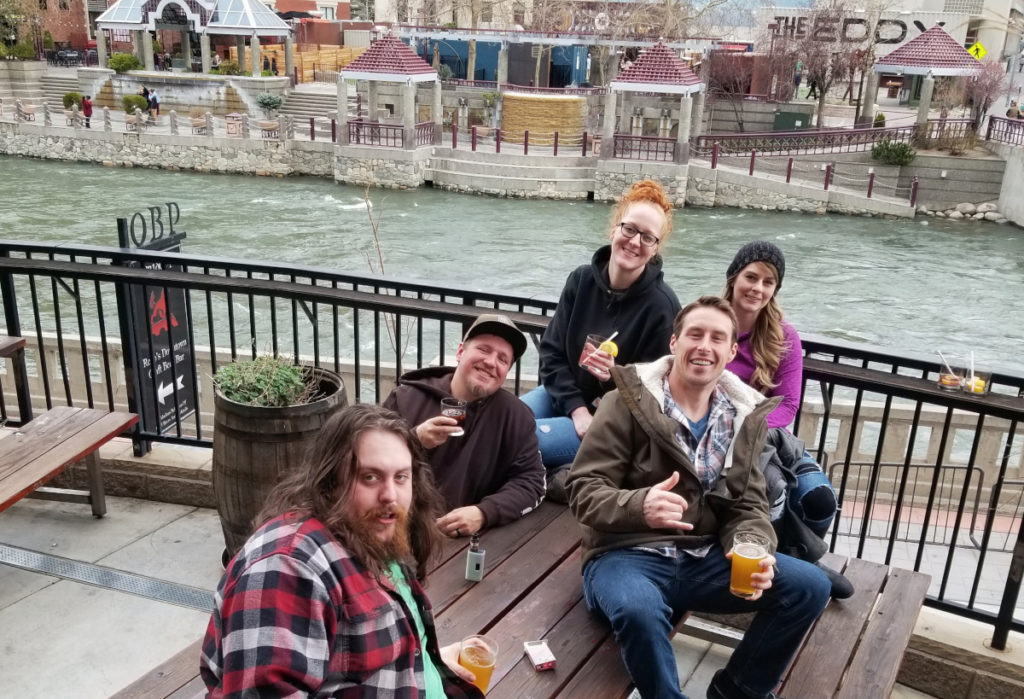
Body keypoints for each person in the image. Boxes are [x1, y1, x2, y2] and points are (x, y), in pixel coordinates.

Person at [566, 297, 830, 699]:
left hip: (703, 558)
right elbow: (583, 490)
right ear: (674, 342)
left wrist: (754, 547)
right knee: (638, 610)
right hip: (624, 555)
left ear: (731, 352)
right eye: (695, 334)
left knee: (810, 586)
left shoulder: (743, 416)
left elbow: (749, 504)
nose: (704, 346)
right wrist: (640, 506)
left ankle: (737, 691)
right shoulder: (626, 404)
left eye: (717, 338)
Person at [200, 404, 483, 697]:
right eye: (369, 477)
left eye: (401, 477)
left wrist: (426, 661)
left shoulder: (372, 532)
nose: (390, 495)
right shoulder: (286, 569)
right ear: (330, 481)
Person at [522, 179, 681, 498]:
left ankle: (547, 480)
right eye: (630, 229)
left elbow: (656, 398)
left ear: (654, 249)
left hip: (609, 423)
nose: (635, 242)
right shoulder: (581, 281)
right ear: (614, 230)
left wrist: (615, 377)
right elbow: (551, 353)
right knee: (497, 417)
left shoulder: (663, 308)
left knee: (519, 440)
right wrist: (576, 409)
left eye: (647, 237)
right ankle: (554, 475)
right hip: (562, 397)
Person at [383, 313, 545, 538]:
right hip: (393, 529)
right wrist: (414, 440)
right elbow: (362, 461)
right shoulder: (406, 398)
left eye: (502, 359)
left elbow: (532, 482)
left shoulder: (516, 417)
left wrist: (483, 512)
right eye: (484, 350)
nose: (491, 363)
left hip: (458, 543)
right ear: (460, 352)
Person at [722, 241, 800, 429]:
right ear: (733, 278)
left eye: (768, 282)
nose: (758, 288)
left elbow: (788, 405)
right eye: (751, 277)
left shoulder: (785, 338)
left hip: (754, 435)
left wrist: (743, 428)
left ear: (774, 290)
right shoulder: (706, 321)